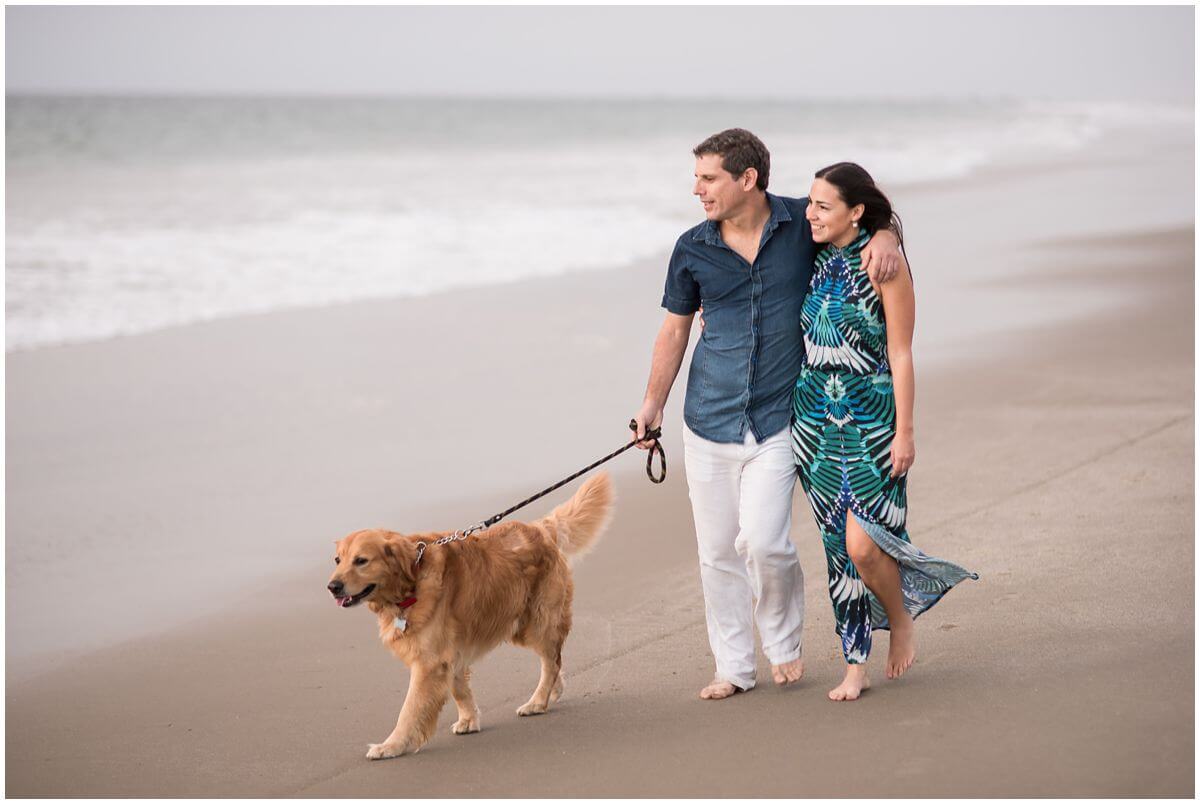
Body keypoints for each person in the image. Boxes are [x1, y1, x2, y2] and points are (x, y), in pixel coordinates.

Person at [631, 130, 904, 700]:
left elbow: (855, 217)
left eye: (709, 178)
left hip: (781, 420)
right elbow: (675, 328)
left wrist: (886, 233)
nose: (697, 190)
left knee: (763, 542)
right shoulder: (692, 248)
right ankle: (732, 667)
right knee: (716, 554)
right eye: (697, 178)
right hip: (707, 417)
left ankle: (783, 644)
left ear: (747, 179)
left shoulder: (800, 226)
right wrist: (652, 403)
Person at [793, 162, 978, 702]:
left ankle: (899, 618)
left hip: (872, 418)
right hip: (814, 423)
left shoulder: (885, 265)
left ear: (855, 212)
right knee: (837, 550)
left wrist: (906, 430)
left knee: (867, 546)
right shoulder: (810, 255)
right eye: (810, 203)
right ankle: (854, 665)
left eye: (823, 206)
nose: (811, 213)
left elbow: (900, 351)